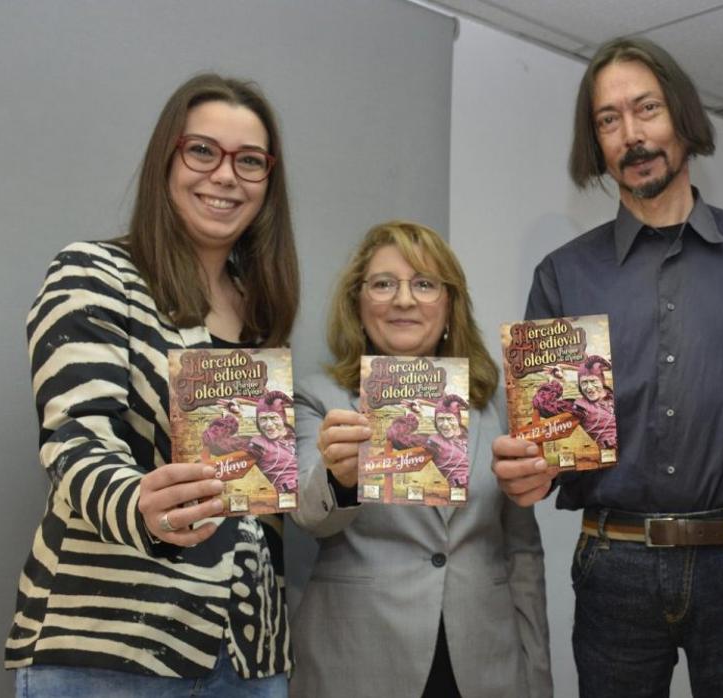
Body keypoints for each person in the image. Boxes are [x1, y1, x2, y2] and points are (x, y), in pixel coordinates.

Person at [5, 74, 298, 696]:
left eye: (249, 161)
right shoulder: (96, 272)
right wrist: (139, 503)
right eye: (202, 151)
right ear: (166, 159)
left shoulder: (262, 312)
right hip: (112, 647)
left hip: (250, 652)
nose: (225, 176)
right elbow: (75, 440)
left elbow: (260, 492)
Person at [491, 37, 723, 697]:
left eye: (646, 110)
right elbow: (546, 442)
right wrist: (529, 469)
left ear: (683, 118)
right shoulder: (562, 275)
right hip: (614, 567)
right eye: (609, 120)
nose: (631, 135)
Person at [291, 221, 551, 698]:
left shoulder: (499, 405)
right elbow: (309, 516)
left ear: (450, 305)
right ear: (359, 304)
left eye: (425, 284)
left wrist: (536, 675)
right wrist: (339, 476)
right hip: (359, 660)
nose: (404, 300)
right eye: (384, 284)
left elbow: (522, 552)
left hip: (484, 664)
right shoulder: (320, 399)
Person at [204, 392, 299, 493]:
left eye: (273, 418)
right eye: (263, 419)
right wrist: (232, 417)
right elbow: (214, 442)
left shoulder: (294, 435)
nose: (269, 425)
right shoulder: (257, 445)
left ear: (282, 418)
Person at [532, 356, 617, 450]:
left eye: (593, 381)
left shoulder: (613, 396)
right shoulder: (581, 407)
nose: (589, 387)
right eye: (584, 383)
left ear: (601, 381)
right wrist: (557, 381)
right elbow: (542, 404)